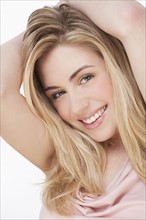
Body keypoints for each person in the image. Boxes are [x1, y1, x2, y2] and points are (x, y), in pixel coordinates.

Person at [1, 0, 145, 219]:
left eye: (85, 78)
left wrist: (66, 4)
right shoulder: (64, 158)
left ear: (116, 64)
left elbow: (130, 17)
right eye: (58, 94)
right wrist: (46, 26)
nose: (77, 107)